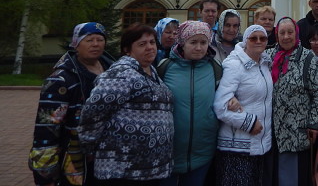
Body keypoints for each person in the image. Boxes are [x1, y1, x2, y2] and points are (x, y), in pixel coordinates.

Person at [78, 24, 174, 185]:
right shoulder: (121, 74)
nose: (150, 47)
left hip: (149, 167)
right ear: (127, 49)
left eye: (152, 42)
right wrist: (89, 146)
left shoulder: (150, 71)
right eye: (142, 44)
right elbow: (93, 112)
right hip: (123, 168)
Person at [29, 22, 114, 186]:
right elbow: (47, 126)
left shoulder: (114, 71)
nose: (95, 44)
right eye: (89, 40)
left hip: (109, 155)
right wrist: (45, 169)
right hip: (75, 157)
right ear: (76, 44)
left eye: (100, 39)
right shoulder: (61, 80)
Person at [158, 21, 222, 186]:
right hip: (168, 152)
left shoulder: (215, 68)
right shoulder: (165, 67)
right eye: (193, 42)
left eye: (203, 42)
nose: (199, 48)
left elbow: (224, 97)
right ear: (182, 43)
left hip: (203, 151)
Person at [270, 17, 318, 186]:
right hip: (271, 131)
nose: (286, 37)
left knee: (292, 176)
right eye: (282, 33)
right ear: (277, 35)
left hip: (296, 130)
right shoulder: (269, 56)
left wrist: (314, 124)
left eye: (290, 32)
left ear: (296, 33)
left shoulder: (308, 57)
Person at [214, 25, 273, 186]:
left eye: (263, 38)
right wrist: (249, 122)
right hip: (237, 147)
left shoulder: (264, 64)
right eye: (253, 38)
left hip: (259, 143)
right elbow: (220, 106)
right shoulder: (235, 65)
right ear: (245, 41)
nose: (258, 41)